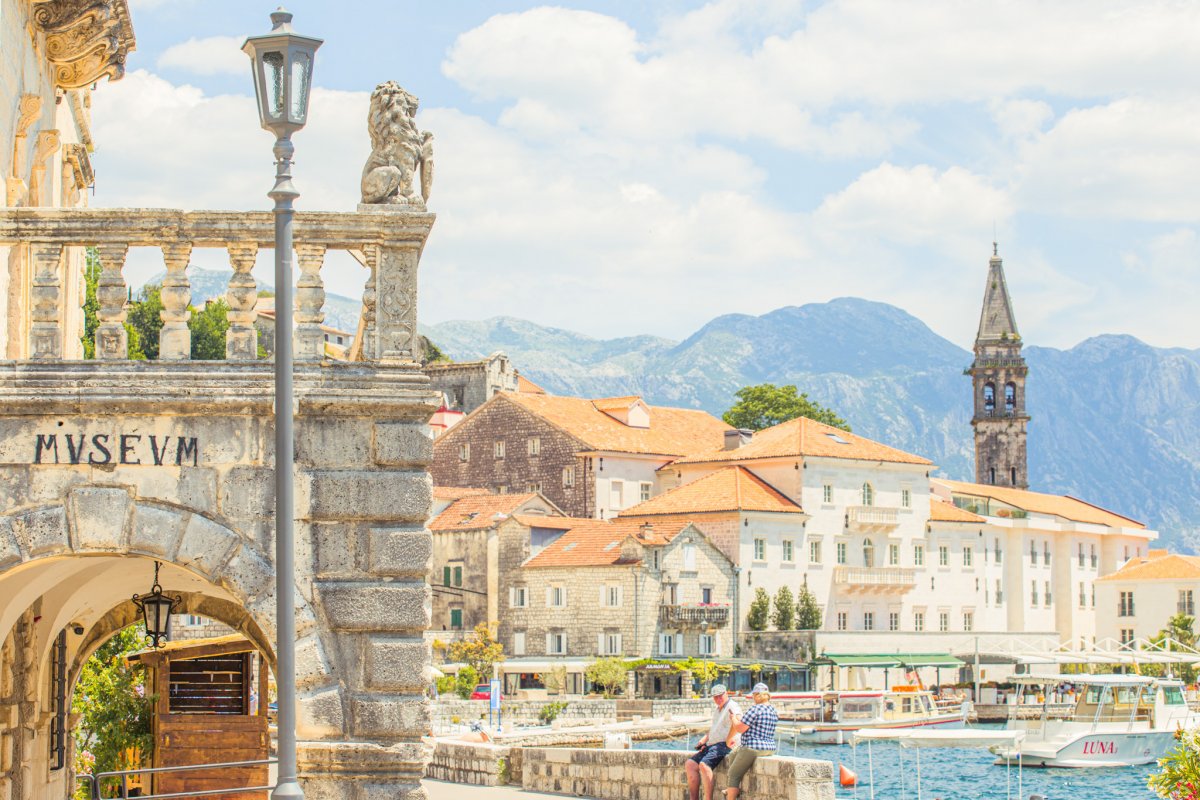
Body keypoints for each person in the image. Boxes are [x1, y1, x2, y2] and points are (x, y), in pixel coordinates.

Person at [724, 682, 778, 800]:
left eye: (753, 695)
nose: (753, 698)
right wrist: (738, 720)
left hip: (753, 747)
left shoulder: (755, 709)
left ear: (758, 695)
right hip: (769, 748)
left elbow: (740, 728)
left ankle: (731, 794)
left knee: (733, 774)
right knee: (733, 753)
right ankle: (731, 788)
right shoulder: (773, 710)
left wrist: (733, 718)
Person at [686, 684, 740, 800]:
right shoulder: (718, 709)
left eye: (720, 696)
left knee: (704, 765)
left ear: (726, 694)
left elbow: (737, 722)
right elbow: (715, 728)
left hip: (725, 744)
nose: (718, 699)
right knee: (690, 764)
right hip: (713, 744)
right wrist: (705, 740)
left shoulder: (732, 706)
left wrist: (729, 740)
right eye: (715, 697)